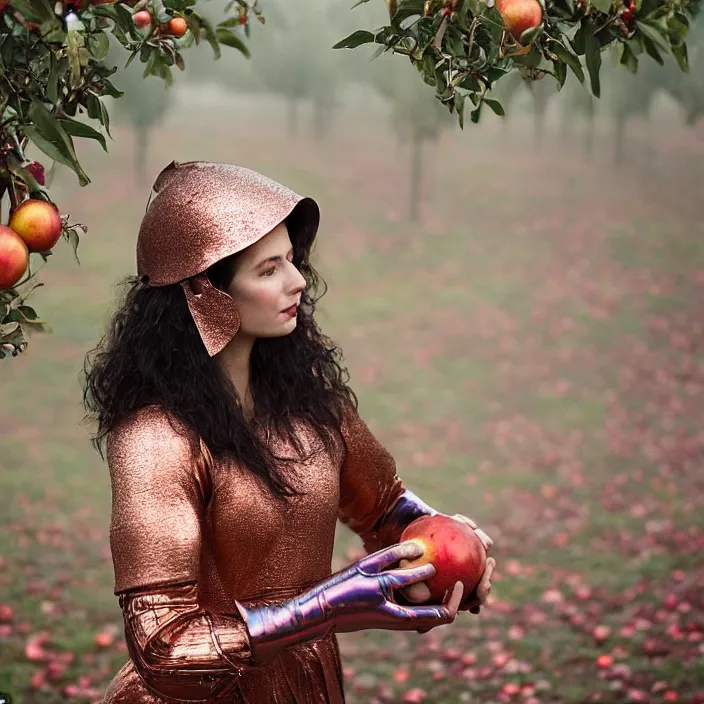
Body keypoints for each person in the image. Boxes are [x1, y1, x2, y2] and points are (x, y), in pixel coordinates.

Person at [81, 160, 497, 704]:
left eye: (292, 261)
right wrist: (325, 607)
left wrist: (444, 548)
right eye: (268, 269)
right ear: (205, 292)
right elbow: (163, 648)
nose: (298, 280)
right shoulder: (155, 438)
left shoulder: (312, 408)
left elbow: (387, 510)